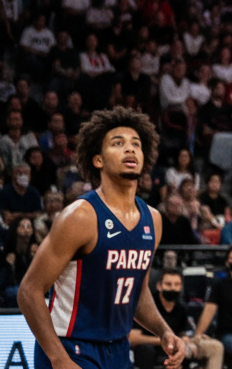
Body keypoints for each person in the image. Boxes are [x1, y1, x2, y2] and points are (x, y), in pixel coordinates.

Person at [17, 107, 186, 369]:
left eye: (136, 144)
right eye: (118, 144)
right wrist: (59, 358)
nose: (130, 149)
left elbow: (137, 293)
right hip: (71, 347)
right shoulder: (81, 216)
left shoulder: (153, 220)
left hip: (118, 348)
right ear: (98, 160)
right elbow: (29, 291)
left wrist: (163, 330)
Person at [130, 270, 223, 369]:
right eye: (168, 284)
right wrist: (164, 339)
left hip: (175, 345)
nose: (173, 288)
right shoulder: (146, 305)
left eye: (177, 284)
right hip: (153, 347)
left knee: (215, 346)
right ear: (159, 286)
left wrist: (189, 340)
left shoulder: (180, 307)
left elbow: (182, 333)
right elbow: (133, 338)